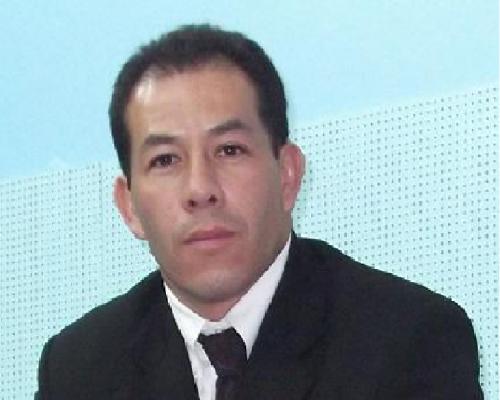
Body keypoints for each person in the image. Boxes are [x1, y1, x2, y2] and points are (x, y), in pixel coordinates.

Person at [36, 24, 483, 400]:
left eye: (229, 150)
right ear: (129, 206)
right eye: (166, 160)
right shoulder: (78, 370)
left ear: (287, 175)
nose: (200, 190)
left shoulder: (410, 342)